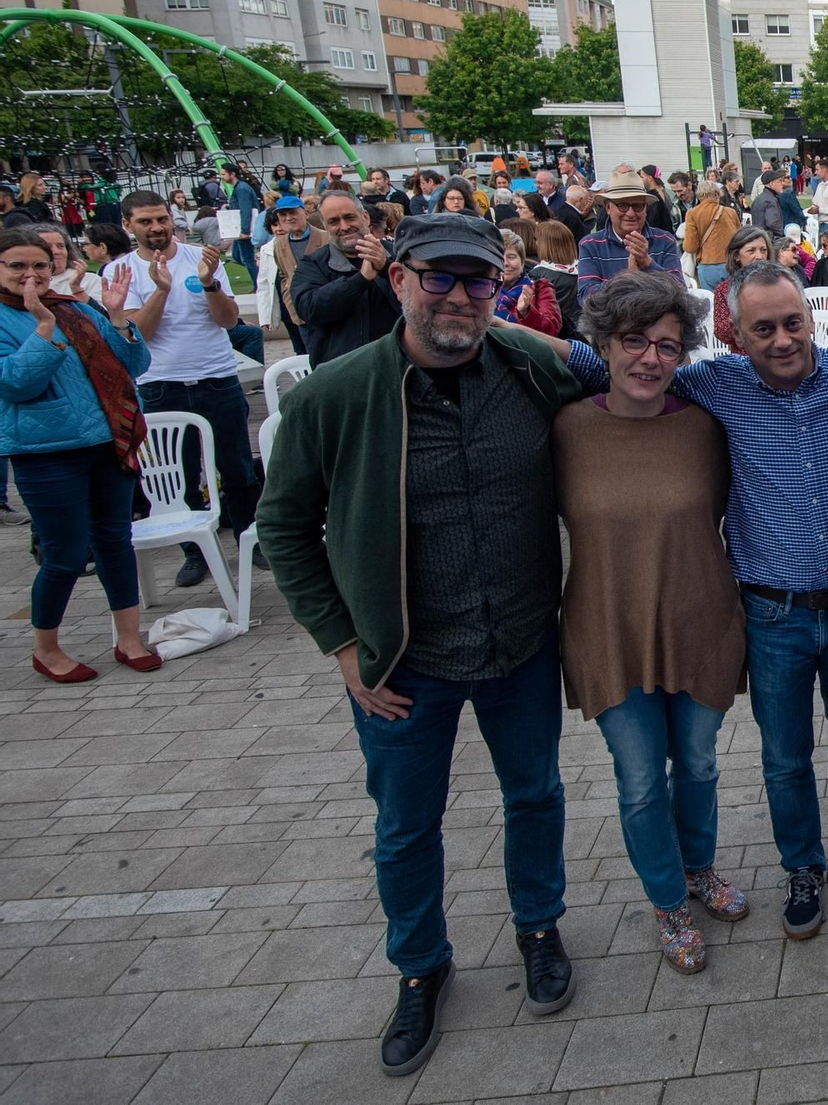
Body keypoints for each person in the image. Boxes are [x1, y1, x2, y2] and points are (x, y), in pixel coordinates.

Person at [259, 215, 613, 1075]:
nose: (458, 296)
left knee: (535, 795)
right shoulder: (334, 396)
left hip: (520, 638)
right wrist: (343, 644)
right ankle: (420, 968)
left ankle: (538, 924)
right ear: (399, 280)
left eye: (478, 281)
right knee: (406, 826)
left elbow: (614, 376)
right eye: (440, 278)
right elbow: (284, 526)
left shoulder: (529, 369)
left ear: (501, 286)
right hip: (400, 661)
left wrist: (528, 327)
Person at [671, 261, 828, 941]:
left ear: (812, 318)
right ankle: (802, 862)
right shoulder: (714, 384)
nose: (781, 339)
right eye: (762, 328)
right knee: (784, 753)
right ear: (735, 332)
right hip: (773, 613)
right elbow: (614, 364)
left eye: (792, 322)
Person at [554, 271, 749, 973]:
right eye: (634, 341)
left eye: (668, 346)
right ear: (603, 345)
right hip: (607, 629)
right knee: (639, 779)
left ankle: (699, 868)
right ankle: (667, 900)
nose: (650, 359)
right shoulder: (567, 428)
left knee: (696, 764)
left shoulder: (704, 428)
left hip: (700, 621)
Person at [0, 230, 157, 683]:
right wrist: (42, 327)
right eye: (17, 266)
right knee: (65, 555)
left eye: (41, 265)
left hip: (107, 443)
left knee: (114, 540)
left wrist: (115, 317)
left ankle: (128, 638)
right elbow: (15, 383)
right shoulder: (36, 316)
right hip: (45, 453)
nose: (30, 275)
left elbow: (133, 364)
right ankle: (45, 649)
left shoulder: (75, 308)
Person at [115, 191, 263, 589]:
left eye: (161, 219)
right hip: (162, 385)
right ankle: (194, 552)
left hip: (216, 377)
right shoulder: (122, 271)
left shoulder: (200, 257)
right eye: (145, 221)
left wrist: (210, 283)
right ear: (129, 225)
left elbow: (230, 321)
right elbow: (137, 335)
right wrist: (160, 289)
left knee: (237, 467)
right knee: (177, 475)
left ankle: (252, 538)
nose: (156, 228)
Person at [290, 192, 402, 367]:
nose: (344, 226)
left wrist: (387, 268)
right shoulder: (312, 265)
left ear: (365, 217)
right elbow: (309, 309)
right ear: (325, 226)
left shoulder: (400, 253)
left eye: (349, 217)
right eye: (334, 221)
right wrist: (360, 280)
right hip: (343, 372)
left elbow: (424, 295)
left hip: (401, 365)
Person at [577, 175, 683, 299]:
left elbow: (680, 292)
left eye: (638, 206)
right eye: (622, 205)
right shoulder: (590, 244)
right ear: (607, 207)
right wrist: (627, 279)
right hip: (613, 319)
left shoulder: (665, 240)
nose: (631, 213)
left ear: (646, 208)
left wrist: (648, 263)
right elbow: (585, 297)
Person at [262, 196, 326, 356]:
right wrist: (290, 302)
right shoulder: (279, 244)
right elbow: (284, 275)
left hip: (326, 309)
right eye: (283, 215)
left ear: (305, 213)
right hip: (300, 313)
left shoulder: (326, 238)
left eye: (293, 213)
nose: (288, 218)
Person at [495, 230, 562, 335]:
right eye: (499, 257)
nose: (505, 263)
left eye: (511, 257)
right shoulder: (481, 291)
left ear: (522, 261)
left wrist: (526, 312)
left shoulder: (540, 288)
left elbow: (551, 330)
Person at [681, 180, 738, 291]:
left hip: (708, 265)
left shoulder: (692, 213)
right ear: (717, 194)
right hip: (731, 264)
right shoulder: (731, 212)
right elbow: (739, 238)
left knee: (713, 303)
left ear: (699, 196)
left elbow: (690, 247)